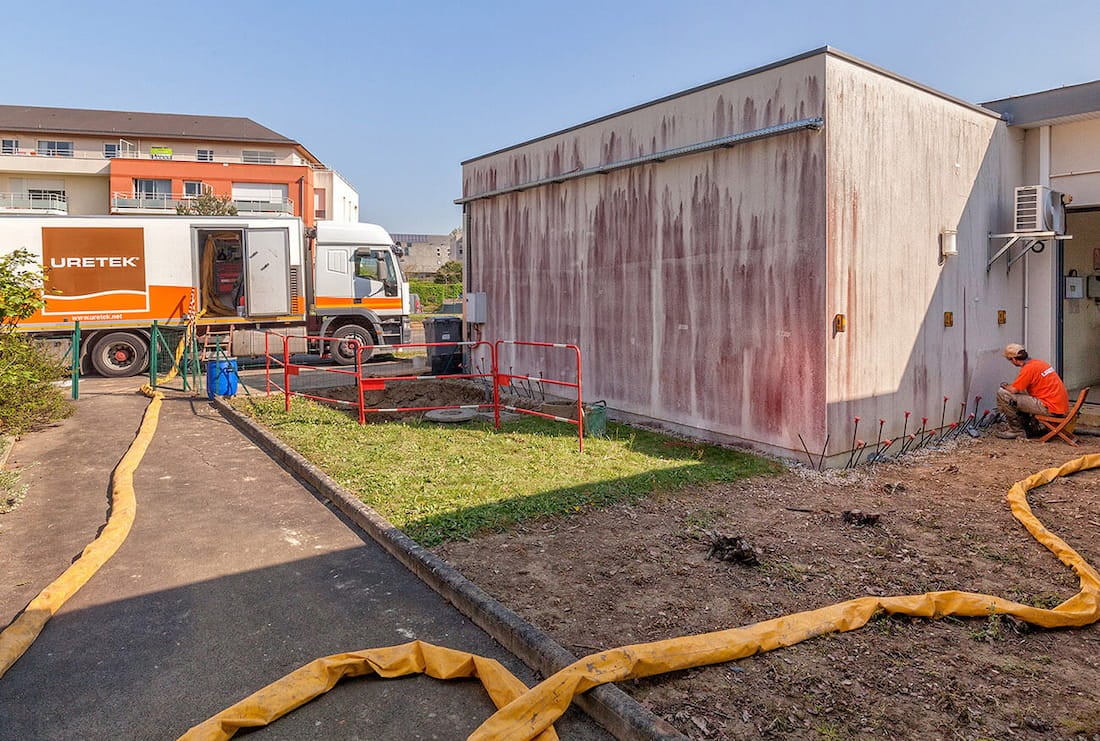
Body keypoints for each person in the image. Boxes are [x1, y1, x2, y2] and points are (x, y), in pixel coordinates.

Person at [994, 343, 1069, 439]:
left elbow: (1014, 390)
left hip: (1049, 407)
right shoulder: (1039, 363)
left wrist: (1004, 385)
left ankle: (1017, 430)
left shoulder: (1028, 369)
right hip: (1058, 405)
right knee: (1021, 396)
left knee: (1003, 394)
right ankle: (1030, 427)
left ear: (1013, 359)